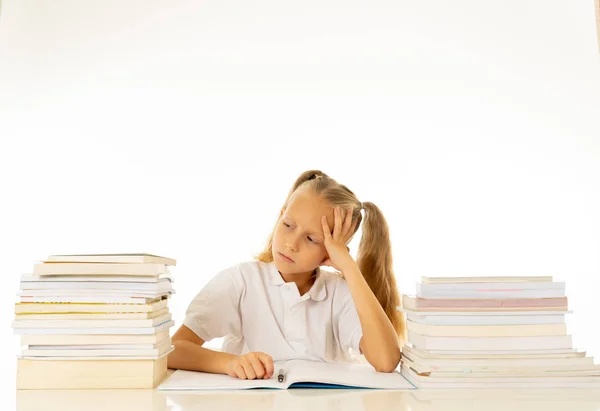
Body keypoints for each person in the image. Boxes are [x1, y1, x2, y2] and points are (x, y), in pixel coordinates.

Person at [167, 170, 405, 380]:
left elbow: (386, 361)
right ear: (281, 215)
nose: (291, 244)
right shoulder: (241, 281)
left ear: (331, 249)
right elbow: (172, 349)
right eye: (288, 225)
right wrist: (229, 363)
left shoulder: (340, 293)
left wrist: (348, 266)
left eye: (311, 239)